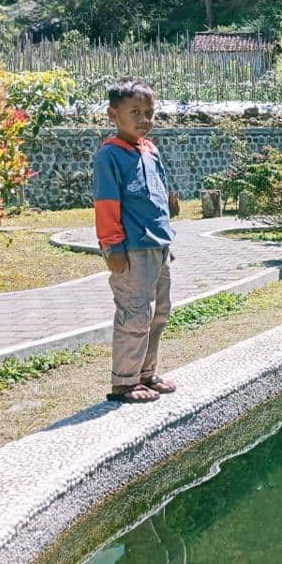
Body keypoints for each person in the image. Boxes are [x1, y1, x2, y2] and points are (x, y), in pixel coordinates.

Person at [93, 78, 180, 403]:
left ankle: (146, 372)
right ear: (113, 115)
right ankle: (124, 382)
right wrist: (111, 247)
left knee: (159, 312)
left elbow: (157, 197)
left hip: (158, 246)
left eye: (149, 112)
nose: (144, 119)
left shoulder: (150, 150)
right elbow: (106, 204)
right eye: (135, 112)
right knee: (134, 313)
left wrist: (167, 237)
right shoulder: (110, 156)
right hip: (131, 250)